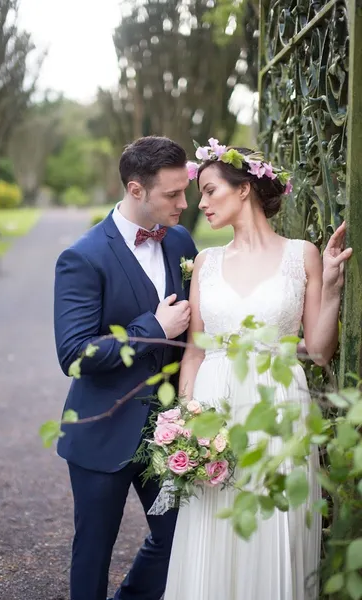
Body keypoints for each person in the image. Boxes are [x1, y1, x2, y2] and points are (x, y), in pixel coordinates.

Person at [164, 142, 352, 600]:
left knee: (273, 525)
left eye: (209, 191)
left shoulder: (300, 254)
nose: (200, 203)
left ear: (244, 189)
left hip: (279, 408)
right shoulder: (206, 263)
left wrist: (329, 287)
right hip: (215, 409)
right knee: (214, 529)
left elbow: (322, 352)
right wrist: (187, 419)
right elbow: (194, 352)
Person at [53, 136, 197, 600]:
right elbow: (74, 354)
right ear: (136, 190)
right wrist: (151, 326)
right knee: (93, 551)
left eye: (184, 190)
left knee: (179, 540)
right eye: (171, 195)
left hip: (167, 431)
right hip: (102, 431)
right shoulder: (83, 257)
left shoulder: (180, 240)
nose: (184, 202)